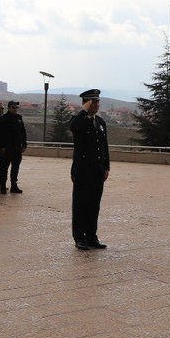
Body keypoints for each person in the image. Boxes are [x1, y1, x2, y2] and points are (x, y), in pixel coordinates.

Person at [69, 89, 110, 250]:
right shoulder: (78, 120)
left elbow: (104, 146)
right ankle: (80, 237)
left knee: (94, 205)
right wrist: (84, 111)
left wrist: (106, 166)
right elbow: (74, 127)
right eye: (94, 102)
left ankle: (92, 236)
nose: (97, 104)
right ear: (86, 103)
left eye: (98, 101)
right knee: (80, 205)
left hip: (97, 171)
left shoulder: (100, 122)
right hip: (82, 171)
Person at [0, 100, 27, 193]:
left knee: (15, 167)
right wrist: (2, 146)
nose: (15, 109)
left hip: (17, 148)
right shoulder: (4, 118)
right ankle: (2, 186)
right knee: (4, 168)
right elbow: (0, 134)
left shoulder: (18, 118)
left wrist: (24, 144)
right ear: (9, 108)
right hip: (7, 148)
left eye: (16, 108)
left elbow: (23, 132)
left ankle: (14, 185)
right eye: (13, 107)